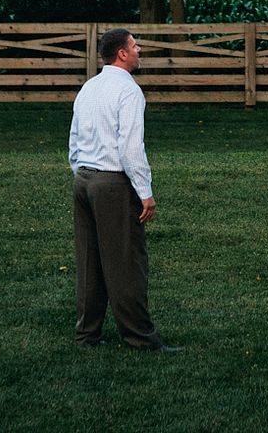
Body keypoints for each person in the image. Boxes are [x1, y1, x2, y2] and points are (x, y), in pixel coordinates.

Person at [68, 28, 179, 352]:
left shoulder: (89, 87)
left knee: (89, 263)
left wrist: (80, 170)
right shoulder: (128, 91)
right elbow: (131, 148)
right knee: (127, 262)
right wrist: (145, 192)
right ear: (122, 53)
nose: (139, 49)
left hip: (84, 181)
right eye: (135, 45)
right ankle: (140, 338)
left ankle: (87, 334)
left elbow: (74, 138)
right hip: (112, 184)